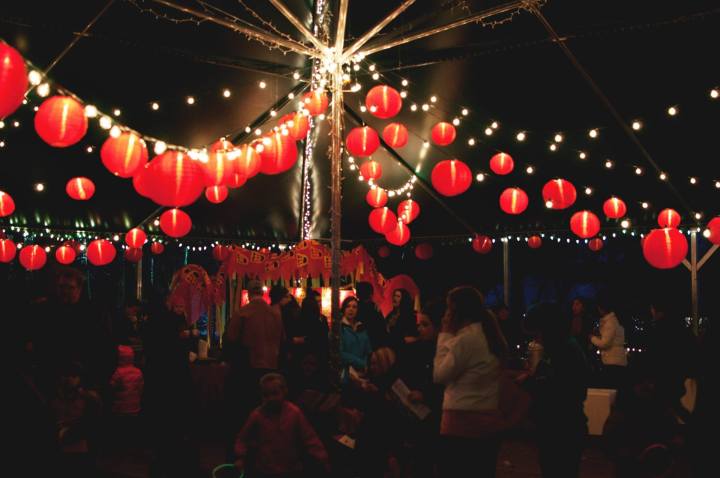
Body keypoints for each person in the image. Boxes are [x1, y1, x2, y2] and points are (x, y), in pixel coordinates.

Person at [433, 286, 509, 478]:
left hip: (462, 424)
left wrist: (444, 335)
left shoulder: (466, 340)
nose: (446, 314)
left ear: (457, 311)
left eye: (449, 309)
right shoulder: (488, 335)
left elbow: (440, 375)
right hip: (488, 422)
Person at [524, 302, 589, 478]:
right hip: (562, 427)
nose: (537, 340)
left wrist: (532, 385)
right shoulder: (563, 348)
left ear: (548, 329)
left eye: (537, 334)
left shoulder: (565, 351)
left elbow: (560, 392)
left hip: (561, 430)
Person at [224, 280, 286, 459]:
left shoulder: (242, 313)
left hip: (249, 370)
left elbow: (231, 340)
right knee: (270, 414)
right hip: (272, 369)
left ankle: (246, 454)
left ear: (249, 294)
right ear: (263, 294)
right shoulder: (276, 314)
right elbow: (283, 341)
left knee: (248, 414)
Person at [28, 267, 115, 394]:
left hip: (85, 381)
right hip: (52, 379)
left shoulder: (94, 314)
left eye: (70, 287)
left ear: (79, 289)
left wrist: (89, 379)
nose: (64, 291)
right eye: (61, 286)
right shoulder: (47, 311)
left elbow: (104, 348)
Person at [234, 373, 330, 477]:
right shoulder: (257, 415)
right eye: (265, 395)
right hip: (265, 470)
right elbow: (242, 438)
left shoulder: (294, 412)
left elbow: (310, 438)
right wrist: (240, 457)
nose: (270, 398)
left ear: (285, 392)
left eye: (275, 393)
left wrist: (323, 459)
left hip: (291, 469)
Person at [397, 299, 445, 478]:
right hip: (420, 418)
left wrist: (425, 394)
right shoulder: (420, 348)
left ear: (439, 326)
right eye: (419, 325)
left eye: (425, 325)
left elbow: (442, 384)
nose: (419, 329)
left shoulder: (445, 352)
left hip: (437, 418)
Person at [590, 295, 627, 389]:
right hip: (616, 360)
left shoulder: (610, 322)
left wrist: (592, 338)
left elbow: (604, 343)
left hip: (612, 361)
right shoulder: (614, 320)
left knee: (611, 389)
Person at [339, 296, 372, 382]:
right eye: (348, 306)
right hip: (346, 372)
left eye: (354, 307)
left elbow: (368, 350)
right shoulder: (339, 328)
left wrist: (366, 366)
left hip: (363, 373)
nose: (351, 309)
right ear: (344, 309)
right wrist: (361, 363)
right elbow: (340, 353)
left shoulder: (361, 327)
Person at [356, 281, 389, 350]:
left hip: (358, 345)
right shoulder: (375, 308)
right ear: (371, 294)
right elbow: (382, 330)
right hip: (375, 345)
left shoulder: (355, 307)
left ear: (358, 294)